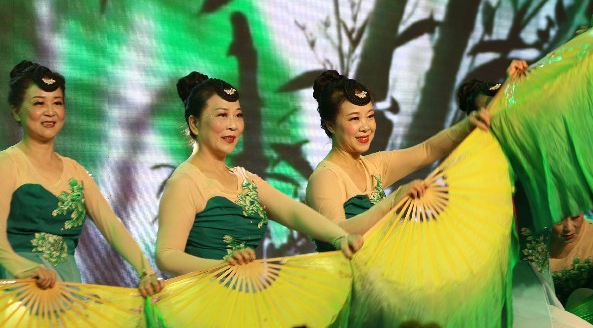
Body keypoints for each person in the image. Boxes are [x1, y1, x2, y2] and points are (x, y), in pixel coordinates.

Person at [449, 61, 593, 328]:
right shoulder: (475, 169)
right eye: (490, 113)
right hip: (506, 292)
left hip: (537, 288)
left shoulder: (528, 162)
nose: (500, 119)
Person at [155, 72, 362, 274]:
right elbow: (167, 255)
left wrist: (339, 236)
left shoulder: (244, 179)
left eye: (238, 115)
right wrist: (222, 266)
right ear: (194, 123)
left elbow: (293, 212)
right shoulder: (184, 182)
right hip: (205, 294)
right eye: (222, 115)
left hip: (246, 289)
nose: (233, 125)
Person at [0, 61, 161, 296]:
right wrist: (22, 268)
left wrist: (146, 271)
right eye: (39, 103)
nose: (50, 111)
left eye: (57, 103)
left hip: (68, 290)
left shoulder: (75, 171)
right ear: (16, 111)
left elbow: (112, 227)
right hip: (18, 291)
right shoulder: (7, 164)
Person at [305, 70, 490, 246]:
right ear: (330, 125)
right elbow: (336, 233)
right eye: (354, 119)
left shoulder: (373, 166)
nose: (366, 126)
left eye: (370, 116)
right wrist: (392, 202)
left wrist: (467, 127)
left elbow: (427, 150)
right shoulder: (326, 177)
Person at [549, 213, 593, 325]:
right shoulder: (528, 237)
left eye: (575, 217)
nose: (568, 228)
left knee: (581, 295)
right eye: (558, 220)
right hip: (540, 314)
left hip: (581, 320)